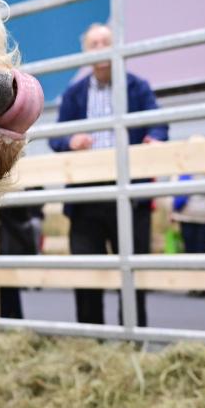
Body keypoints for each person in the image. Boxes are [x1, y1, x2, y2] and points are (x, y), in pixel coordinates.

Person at [49, 23, 168, 326]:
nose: (101, 49)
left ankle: (132, 339)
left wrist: (154, 139)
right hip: (86, 197)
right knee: (87, 276)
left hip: (130, 195)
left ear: (117, 47)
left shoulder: (137, 87)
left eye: (106, 42)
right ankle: (92, 340)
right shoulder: (73, 94)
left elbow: (159, 123)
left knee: (132, 277)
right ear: (86, 53)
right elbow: (56, 137)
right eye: (95, 44)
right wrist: (70, 141)